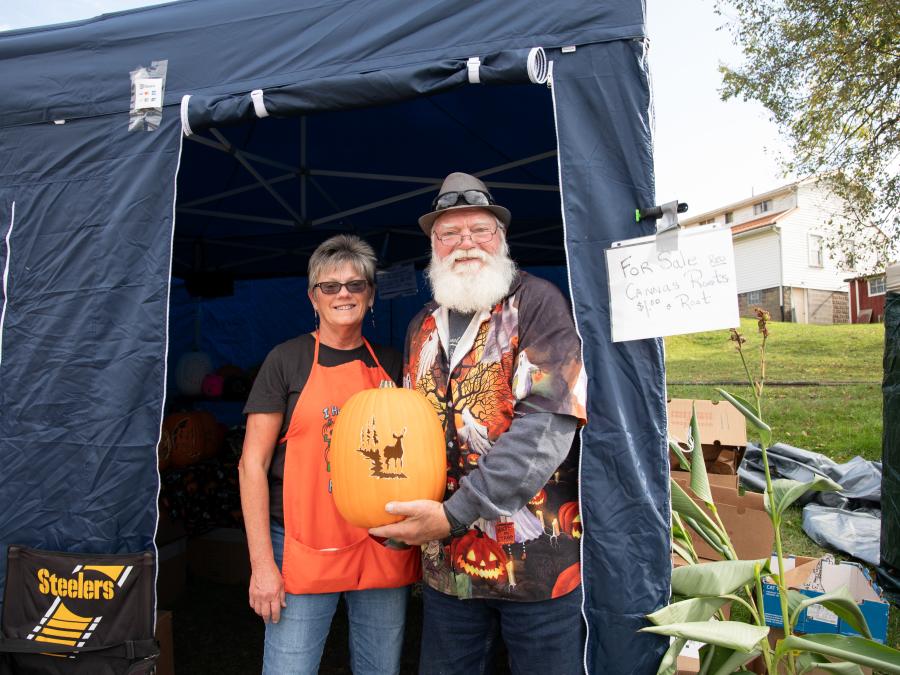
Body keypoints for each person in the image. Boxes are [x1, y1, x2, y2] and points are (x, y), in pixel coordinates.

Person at [370, 173, 588, 674]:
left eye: (479, 230)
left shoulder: (538, 305)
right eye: (450, 233)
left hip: (534, 560)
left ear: (502, 239)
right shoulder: (420, 325)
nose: (465, 242)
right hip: (449, 569)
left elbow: (546, 429)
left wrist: (453, 514)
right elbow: (415, 429)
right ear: (433, 245)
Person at [239, 234, 418, 675]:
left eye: (356, 285)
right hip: (302, 547)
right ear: (312, 297)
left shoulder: (395, 364)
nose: (343, 294)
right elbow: (251, 466)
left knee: (380, 668)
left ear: (370, 295)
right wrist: (263, 566)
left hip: (381, 544)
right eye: (330, 286)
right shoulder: (287, 360)